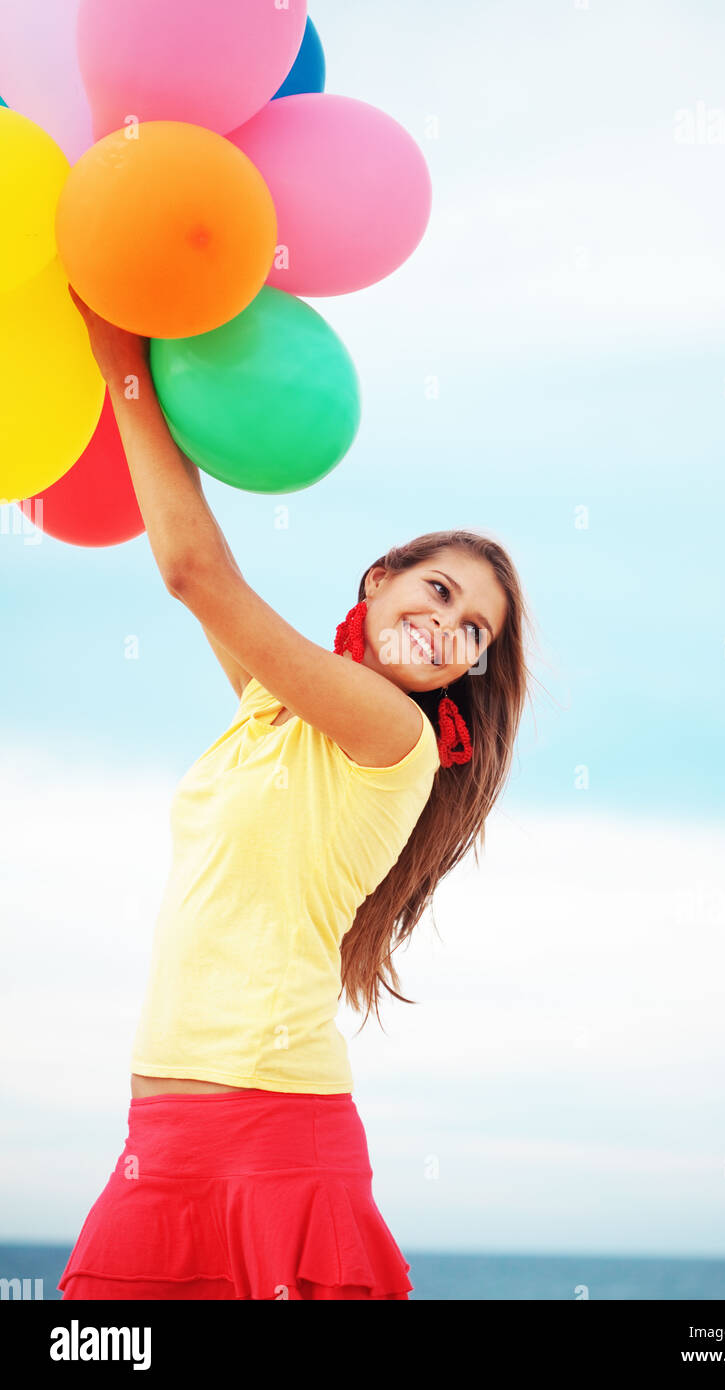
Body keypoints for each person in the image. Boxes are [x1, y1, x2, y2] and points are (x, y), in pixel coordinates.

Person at [57, 289, 535, 1300]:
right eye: (439, 591)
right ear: (379, 579)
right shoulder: (274, 703)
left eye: (473, 633)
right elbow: (192, 547)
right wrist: (158, 370)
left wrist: (119, 360)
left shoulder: (392, 735)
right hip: (163, 1135)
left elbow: (194, 574)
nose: (447, 628)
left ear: (465, 673)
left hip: (272, 1134)